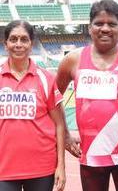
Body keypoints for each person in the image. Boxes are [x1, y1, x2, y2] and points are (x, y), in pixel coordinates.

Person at [56, 0, 118, 191]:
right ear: (89, 27)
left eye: (112, 24)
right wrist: (67, 136)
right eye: (99, 23)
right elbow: (54, 99)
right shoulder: (72, 60)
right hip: (91, 153)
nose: (105, 29)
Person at [0, 20, 66, 191]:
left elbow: (59, 124)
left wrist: (61, 166)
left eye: (24, 39)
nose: (18, 44)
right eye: (13, 39)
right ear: (5, 44)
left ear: (31, 44)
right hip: (4, 169)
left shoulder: (46, 79)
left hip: (41, 169)